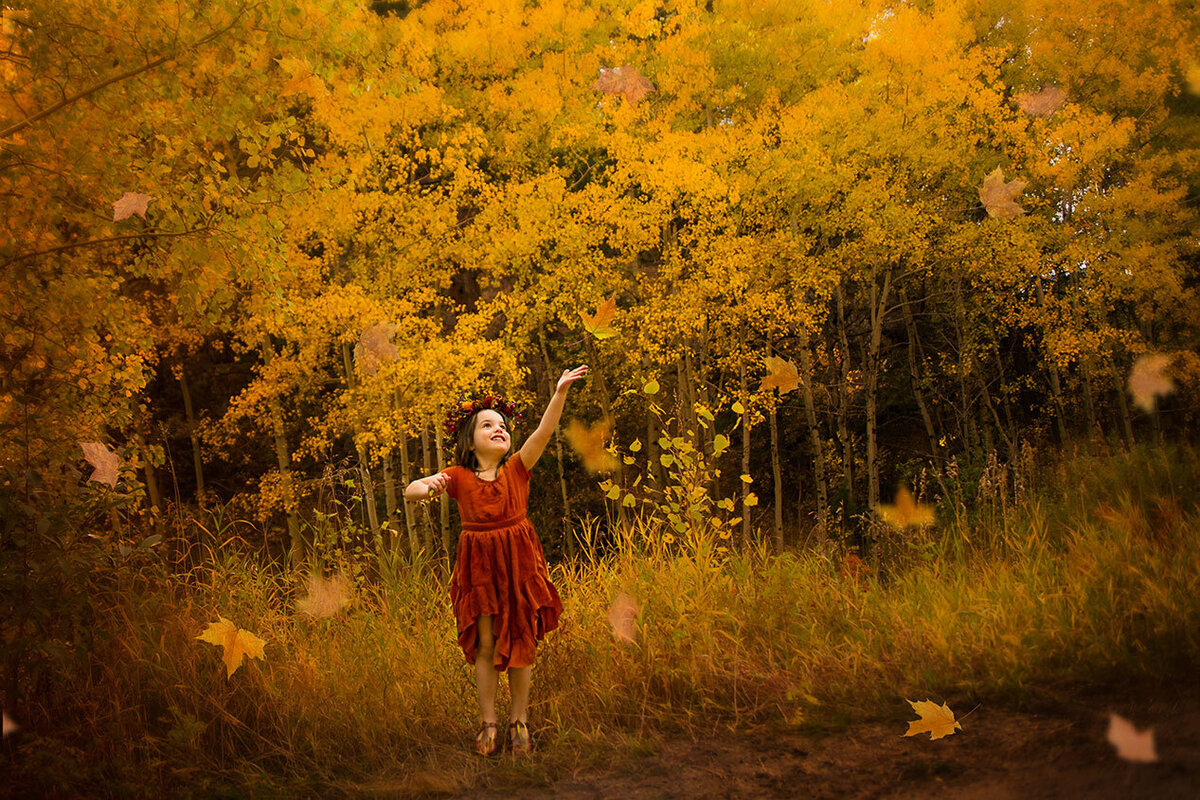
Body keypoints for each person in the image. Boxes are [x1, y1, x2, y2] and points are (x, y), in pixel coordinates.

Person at [403, 365, 587, 757]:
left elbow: (543, 432)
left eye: (502, 425)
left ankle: (519, 721)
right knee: (486, 642)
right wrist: (425, 486)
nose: (498, 428)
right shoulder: (457, 474)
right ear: (470, 443)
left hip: (519, 559)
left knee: (522, 637)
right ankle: (488, 722)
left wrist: (558, 394)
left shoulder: (518, 467)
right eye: (487, 425)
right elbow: (412, 489)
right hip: (480, 564)